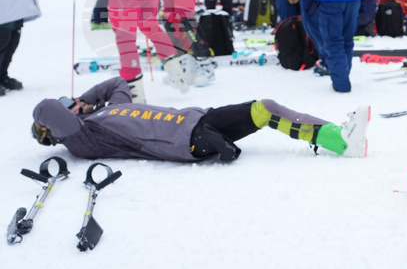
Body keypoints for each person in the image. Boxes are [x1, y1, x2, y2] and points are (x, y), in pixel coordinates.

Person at [30, 76, 366, 161]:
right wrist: (67, 113)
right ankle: (339, 140)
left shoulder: (107, 108)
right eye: (67, 105)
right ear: (56, 128)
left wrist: (85, 100)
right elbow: (47, 107)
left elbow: (117, 83)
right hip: (187, 142)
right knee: (233, 142)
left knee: (265, 108)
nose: (72, 102)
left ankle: (335, 138)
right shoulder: (85, 140)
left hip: (199, 117)